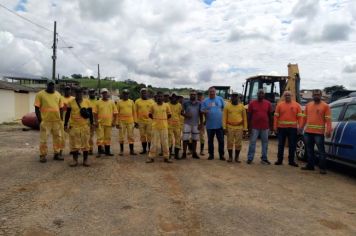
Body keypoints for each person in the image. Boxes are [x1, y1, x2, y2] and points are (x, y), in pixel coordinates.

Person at [301, 89, 332, 174]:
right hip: (308, 132)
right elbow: (304, 118)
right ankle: (310, 166)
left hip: (319, 133)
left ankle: (322, 168)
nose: (316, 96)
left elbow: (328, 120)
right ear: (312, 96)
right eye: (315, 95)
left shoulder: (325, 106)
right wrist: (300, 127)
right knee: (309, 150)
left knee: (321, 151)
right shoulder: (308, 105)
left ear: (321, 95)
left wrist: (328, 130)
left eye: (318, 95)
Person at [34, 80, 63, 163]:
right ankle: (42, 155)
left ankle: (57, 154)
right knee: (44, 139)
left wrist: (61, 119)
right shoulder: (40, 94)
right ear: (47, 85)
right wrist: (40, 120)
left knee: (57, 138)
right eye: (49, 85)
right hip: (45, 121)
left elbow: (60, 108)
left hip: (56, 121)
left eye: (52, 85)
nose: (51, 86)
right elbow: (36, 108)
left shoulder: (58, 94)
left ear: (54, 85)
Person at [64, 87, 93, 167]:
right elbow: (67, 114)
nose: (78, 94)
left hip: (84, 126)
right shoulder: (70, 102)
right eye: (77, 93)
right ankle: (75, 160)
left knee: (85, 143)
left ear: (82, 93)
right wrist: (65, 124)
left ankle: (85, 160)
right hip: (74, 126)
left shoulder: (87, 102)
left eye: (80, 93)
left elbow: (90, 114)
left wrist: (92, 123)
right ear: (74, 94)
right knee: (74, 144)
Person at [273, 91, 303, 167]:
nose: (287, 96)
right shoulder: (279, 105)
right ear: (283, 96)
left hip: (292, 129)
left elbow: (300, 117)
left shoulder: (297, 105)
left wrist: (300, 127)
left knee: (292, 145)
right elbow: (276, 117)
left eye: (288, 95)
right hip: (281, 128)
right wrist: (275, 127)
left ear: (292, 96)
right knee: (280, 145)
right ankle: (279, 160)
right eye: (286, 95)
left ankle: (291, 161)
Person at [247, 89, 273, 165]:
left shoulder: (268, 103)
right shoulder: (252, 103)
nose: (260, 95)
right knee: (252, 143)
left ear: (264, 95)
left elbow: (270, 115)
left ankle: (264, 159)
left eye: (262, 93)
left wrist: (271, 127)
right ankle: (250, 158)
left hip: (265, 127)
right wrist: (249, 127)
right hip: (254, 127)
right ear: (257, 94)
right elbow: (249, 116)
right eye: (259, 93)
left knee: (265, 143)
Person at [147, 91, 172, 163]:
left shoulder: (166, 105)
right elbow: (150, 114)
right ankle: (151, 157)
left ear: (163, 98)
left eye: (161, 96)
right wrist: (155, 119)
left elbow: (169, 114)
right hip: (155, 127)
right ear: (156, 97)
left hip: (164, 127)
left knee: (165, 143)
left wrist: (164, 120)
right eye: (158, 96)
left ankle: (166, 157)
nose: (159, 98)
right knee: (153, 143)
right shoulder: (153, 105)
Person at [200, 87, 225, 160]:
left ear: (215, 92)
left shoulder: (220, 99)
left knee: (221, 141)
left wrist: (220, 113)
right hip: (210, 125)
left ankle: (221, 155)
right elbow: (201, 110)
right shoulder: (205, 101)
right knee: (210, 141)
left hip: (219, 125)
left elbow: (224, 108)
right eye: (210, 92)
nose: (212, 93)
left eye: (213, 91)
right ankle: (211, 155)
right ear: (208, 92)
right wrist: (205, 111)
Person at [223, 92, 247, 163]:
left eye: (236, 96)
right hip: (230, 127)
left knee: (238, 143)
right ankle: (230, 157)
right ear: (231, 97)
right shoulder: (227, 106)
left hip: (239, 128)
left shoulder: (242, 106)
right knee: (229, 142)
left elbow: (245, 119)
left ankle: (237, 157)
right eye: (233, 96)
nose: (234, 98)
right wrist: (224, 128)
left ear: (238, 98)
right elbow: (224, 118)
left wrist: (245, 128)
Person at [93, 88, 118, 157]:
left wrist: (114, 122)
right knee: (100, 138)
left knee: (108, 138)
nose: (105, 94)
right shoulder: (97, 102)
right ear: (101, 94)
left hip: (109, 123)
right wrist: (96, 122)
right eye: (103, 93)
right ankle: (99, 152)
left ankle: (107, 152)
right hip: (100, 123)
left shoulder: (111, 102)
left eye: (106, 93)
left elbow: (115, 113)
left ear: (108, 94)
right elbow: (94, 113)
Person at [182, 90, 202, 159]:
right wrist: (186, 115)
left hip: (196, 123)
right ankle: (184, 153)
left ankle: (194, 153)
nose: (193, 96)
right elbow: (181, 112)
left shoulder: (199, 103)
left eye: (194, 94)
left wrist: (201, 123)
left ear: (196, 95)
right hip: (187, 123)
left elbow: (200, 113)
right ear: (189, 95)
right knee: (185, 139)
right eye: (191, 94)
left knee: (195, 139)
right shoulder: (185, 103)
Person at [116, 89, 137, 156]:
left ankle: (131, 150)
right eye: (124, 94)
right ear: (122, 95)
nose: (125, 95)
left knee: (131, 136)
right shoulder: (119, 102)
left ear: (128, 95)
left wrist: (135, 121)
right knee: (121, 136)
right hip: (121, 122)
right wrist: (117, 122)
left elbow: (134, 112)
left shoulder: (131, 102)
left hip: (130, 122)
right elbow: (117, 113)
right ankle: (121, 151)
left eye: (127, 94)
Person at [135, 88, 155, 154]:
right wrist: (136, 121)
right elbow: (135, 112)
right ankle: (144, 150)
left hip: (150, 121)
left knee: (149, 135)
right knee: (142, 136)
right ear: (140, 94)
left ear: (148, 93)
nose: (144, 94)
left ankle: (149, 149)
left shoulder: (152, 102)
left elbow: (154, 112)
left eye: (145, 93)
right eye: (142, 93)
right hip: (141, 121)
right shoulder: (137, 101)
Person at [60, 86, 74, 155]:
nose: (67, 91)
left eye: (68, 90)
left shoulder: (73, 99)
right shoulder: (60, 98)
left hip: (72, 120)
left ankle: (73, 150)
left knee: (73, 136)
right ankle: (60, 150)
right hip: (63, 120)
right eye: (66, 90)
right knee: (63, 136)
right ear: (64, 91)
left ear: (70, 91)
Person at [168, 93, 183, 160]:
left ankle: (176, 155)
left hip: (177, 125)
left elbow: (180, 114)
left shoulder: (179, 105)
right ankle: (169, 154)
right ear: (170, 98)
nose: (174, 98)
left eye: (175, 97)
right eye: (172, 97)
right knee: (169, 140)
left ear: (177, 98)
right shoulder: (167, 105)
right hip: (169, 125)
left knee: (177, 140)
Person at [87, 89, 97, 155]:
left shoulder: (98, 101)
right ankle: (90, 149)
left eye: (93, 92)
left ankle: (101, 147)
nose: (92, 94)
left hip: (97, 121)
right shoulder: (86, 101)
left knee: (100, 135)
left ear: (95, 93)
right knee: (90, 136)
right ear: (89, 94)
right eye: (90, 93)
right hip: (89, 122)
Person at [197, 91, 206, 156]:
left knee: (202, 137)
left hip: (202, 122)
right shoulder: (195, 103)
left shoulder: (204, 104)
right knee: (191, 137)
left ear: (202, 96)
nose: (199, 96)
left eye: (201, 95)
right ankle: (191, 150)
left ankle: (201, 150)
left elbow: (206, 114)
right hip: (194, 122)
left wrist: (204, 123)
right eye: (198, 95)